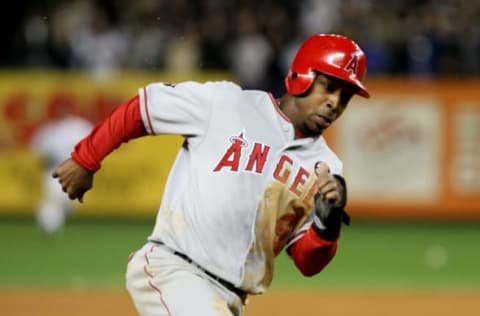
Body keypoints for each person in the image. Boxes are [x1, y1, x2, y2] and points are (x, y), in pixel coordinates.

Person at [52, 33, 370, 315]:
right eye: (329, 87)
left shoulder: (327, 169)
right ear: (301, 75)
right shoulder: (227, 104)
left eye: (345, 96)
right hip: (175, 268)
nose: (335, 103)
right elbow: (143, 111)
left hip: (229, 299)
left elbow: (306, 261)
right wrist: (86, 158)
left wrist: (327, 226)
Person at [30, 98, 93, 235]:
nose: (62, 111)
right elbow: (39, 153)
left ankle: (48, 218)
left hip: (76, 171)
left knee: (69, 205)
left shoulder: (80, 126)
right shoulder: (48, 130)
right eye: (59, 109)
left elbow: (93, 145)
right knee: (53, 201)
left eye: (64, 108)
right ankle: (49, 227)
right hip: (55, 171)